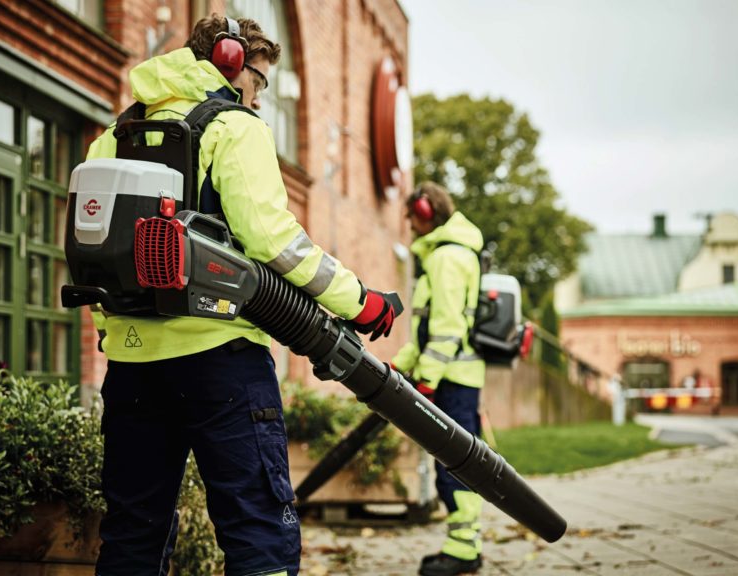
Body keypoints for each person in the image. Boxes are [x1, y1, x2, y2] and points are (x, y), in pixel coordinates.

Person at [85, 14, 398, 576]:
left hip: (132, 366)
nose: (259, 95)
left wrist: (116, 335)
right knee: (258, 533)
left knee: (132, 533)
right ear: (230, 61)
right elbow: (277, 243)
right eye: (259, 79)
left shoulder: (114, 134)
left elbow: (94, 250)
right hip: (221, 363)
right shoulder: (233, 126)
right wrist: (361, 302)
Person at [391, 182, 486, 576]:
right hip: (453, 374)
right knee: (458, 460)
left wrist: (427, 378)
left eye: (412, 218)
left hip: (453, 377)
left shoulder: (447, 258)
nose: (410, 227)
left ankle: (464, 548)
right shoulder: (446, 255)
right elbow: (427, 329)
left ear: (426, 213)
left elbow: (447, 328)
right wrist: (399, 366)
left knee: (457, 464)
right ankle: (465, 544)